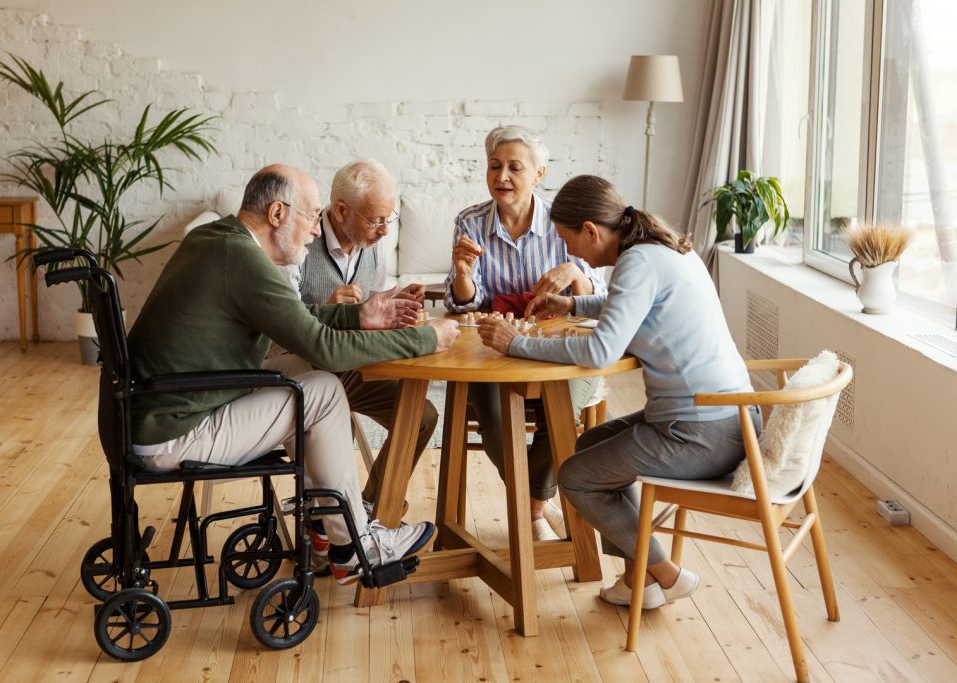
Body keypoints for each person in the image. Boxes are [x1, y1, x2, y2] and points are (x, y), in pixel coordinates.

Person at [127, 163, 460, 585]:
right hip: (174, 432)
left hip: (170, 405)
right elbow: (326, 348)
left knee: (304, 370)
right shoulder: (242, 259)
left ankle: (326, 523)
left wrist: (358, 314)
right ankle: (355, 547)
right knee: (321, 387)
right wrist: (427, 339)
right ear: (278, 214)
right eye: (311, 216)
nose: (317, 231)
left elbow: (295, 320)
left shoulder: (218, 240)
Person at [477, 174, 761, 610]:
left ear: (591, 230)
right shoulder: (661, 250)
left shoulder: (638, 262)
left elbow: (599, 350)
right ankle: (637, 580)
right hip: (729, 417)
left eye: (568, 240)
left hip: (701, 432)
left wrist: (515, 344)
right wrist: (573, 304)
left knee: (577, 477)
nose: (569, 252)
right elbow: (634, 304)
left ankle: (664, 572)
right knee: (588, 445)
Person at [445, 125, 606, 541]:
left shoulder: (562, 223)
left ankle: (531, 506)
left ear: (538, 174)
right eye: (495, 166)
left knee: (562, 409)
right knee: (495, 420)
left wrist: (576, 272)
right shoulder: (470, 221)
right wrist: (463, 275)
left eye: (515, 168)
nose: (502, 177)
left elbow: (601, 297)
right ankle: (536, 507)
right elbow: (464, 303)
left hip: (554, 346)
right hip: (491, 347)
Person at [285, 160, 437, 506]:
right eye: (376, 220)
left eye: (389, 218)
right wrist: (331, 308)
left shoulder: (372, 246)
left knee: (421, 417)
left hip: (353, 366)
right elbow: (281, 325)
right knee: (336, 427)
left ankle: (370, 509)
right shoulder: (298, 244)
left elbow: (371, 308)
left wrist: (396, 304)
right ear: (341, 211)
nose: (385, 230)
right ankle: (326, 521)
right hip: (307, 369)